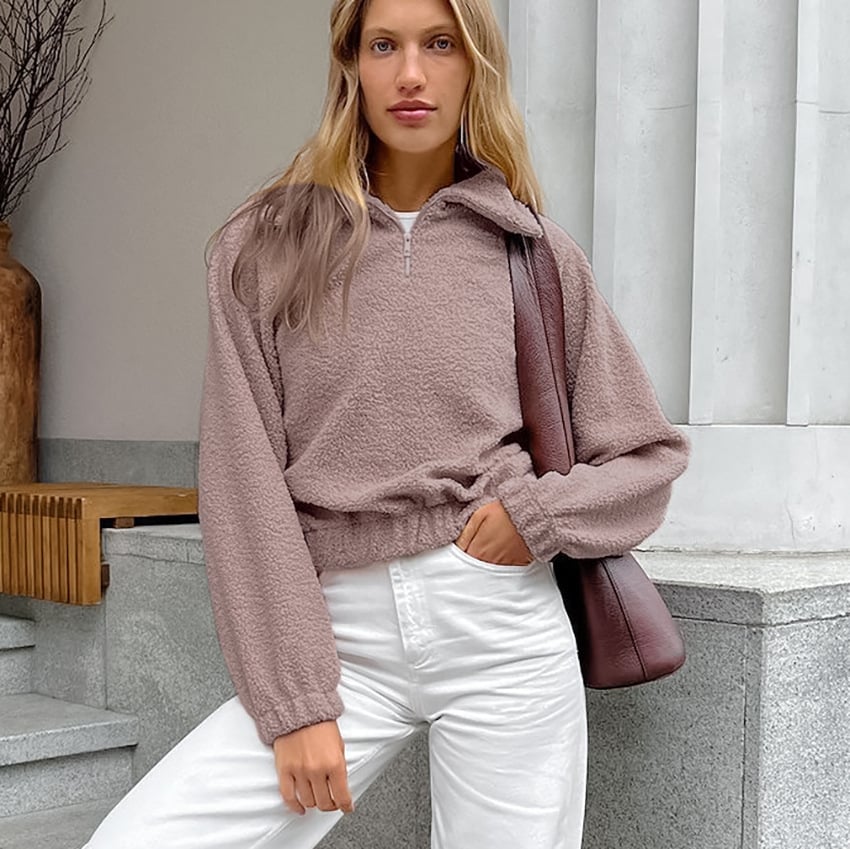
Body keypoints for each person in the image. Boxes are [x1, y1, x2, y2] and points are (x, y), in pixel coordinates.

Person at [83, 0, 690, 846]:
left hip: (502, 626)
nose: (411, 73)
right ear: (351, 66)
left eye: (440, 44)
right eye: (384, 45)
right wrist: (296, 701)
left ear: (474, 66)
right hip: (340, 634)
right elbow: (242, 483)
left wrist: (537, 515)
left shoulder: (532, 250)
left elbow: (647, 456)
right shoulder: (265, 245)